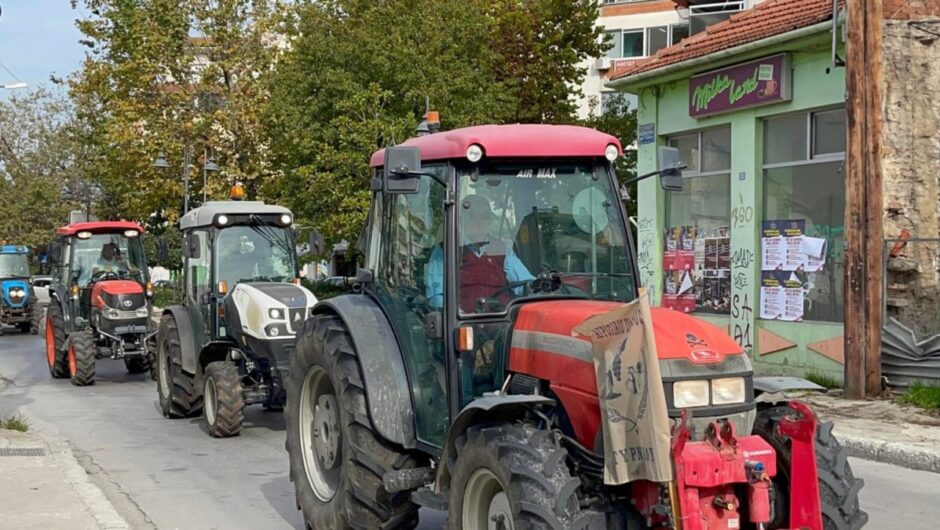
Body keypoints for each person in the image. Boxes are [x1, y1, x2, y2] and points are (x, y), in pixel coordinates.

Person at [425, 194, 534, 313]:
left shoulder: (501, 248)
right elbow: (436, 297)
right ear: (460, 219)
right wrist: (460, 314)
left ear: (491, 220)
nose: (479, 221)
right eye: (472, 216)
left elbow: (525, 283)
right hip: (463, 324)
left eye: (485, 216)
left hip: (503, 320)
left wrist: (541, 286)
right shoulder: (445, 250)